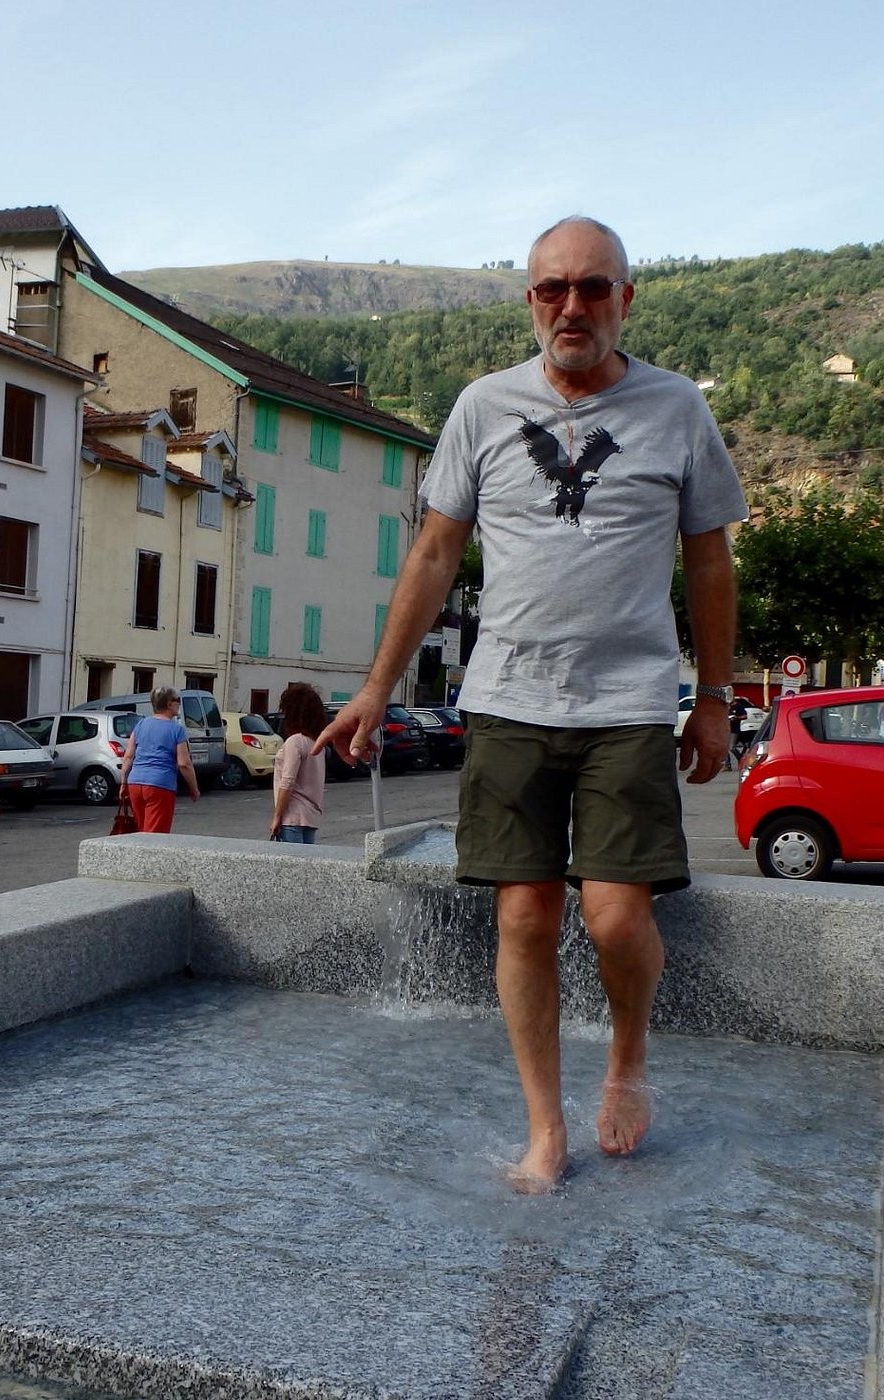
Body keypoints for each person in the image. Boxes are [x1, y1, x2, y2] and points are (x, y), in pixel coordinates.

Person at [317, 216, 747, 1193]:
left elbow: (709, 558)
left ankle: (628, 1061)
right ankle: (546, 1128)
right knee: (521, 917)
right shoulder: (482, 407)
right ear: (530, 301)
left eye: (593, 287)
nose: (572, 305)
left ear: (625, 299)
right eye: (553, 288)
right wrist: (379, 686)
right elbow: (432, 554)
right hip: (508, 698)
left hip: (629, 700)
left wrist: (714, 696)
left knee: (615, 921)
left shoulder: (675, 409)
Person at [118, 685, 200, 832]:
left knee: (141, 831)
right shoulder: (176, 729)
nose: (179, 704)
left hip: (135, 783)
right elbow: (184, 764)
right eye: (178, 700)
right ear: (169, 704)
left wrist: (123, 783)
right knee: (155, 836)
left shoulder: (141, 724)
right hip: (160, 785)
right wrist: (194, 788)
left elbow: (128, 757)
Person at [268, 683, 328, 843]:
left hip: (292, 816)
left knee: (291, 865)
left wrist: (277, 816)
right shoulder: (317, 744)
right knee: (306, 865)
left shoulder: (295, 742)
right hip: (311, 816)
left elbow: (287, 782)